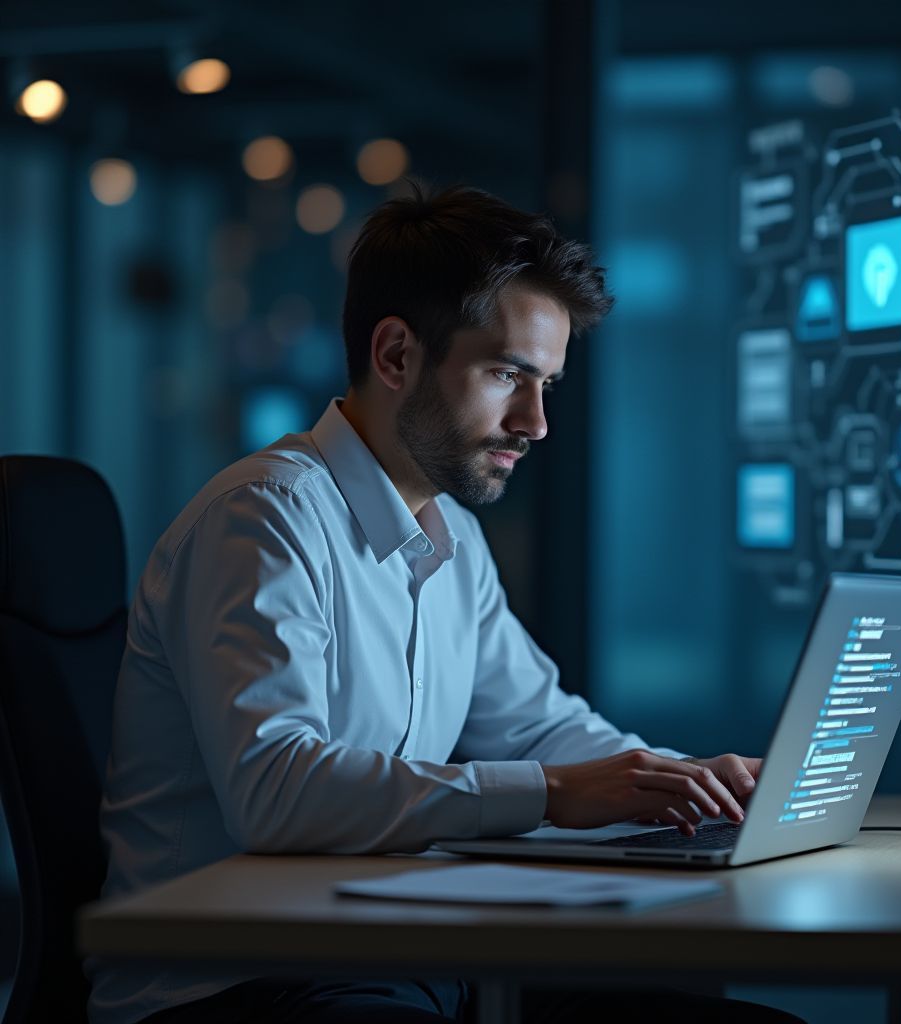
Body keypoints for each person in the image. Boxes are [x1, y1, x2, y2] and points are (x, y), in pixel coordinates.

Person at [86, 185, 803, 1024]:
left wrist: (685, 781)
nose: (536, 422)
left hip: (399, 955)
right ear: (396, 356)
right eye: (507, 375)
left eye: (547, 384)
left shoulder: (451, 533)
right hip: (235, 988)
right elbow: (275, 792)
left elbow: (536, 729)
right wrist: (551, 793)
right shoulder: (264, 519)